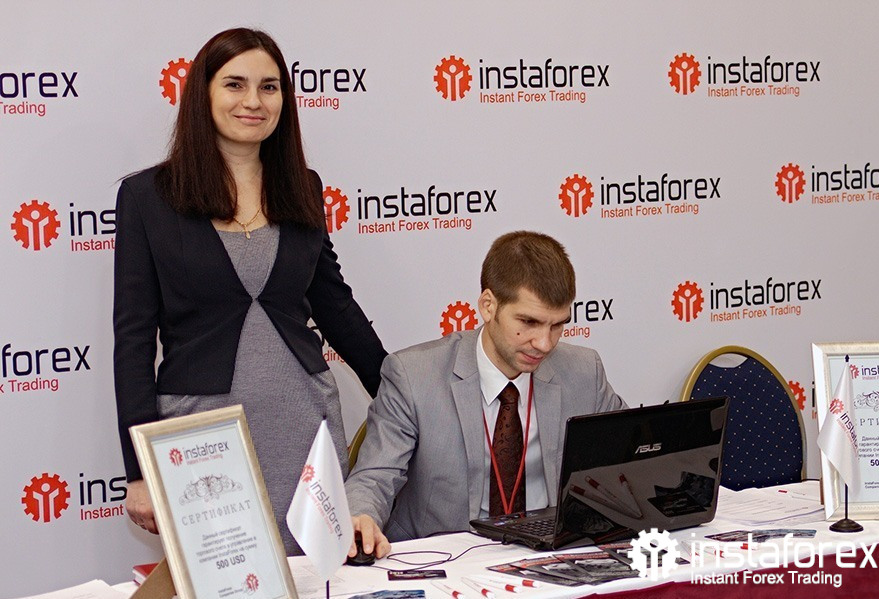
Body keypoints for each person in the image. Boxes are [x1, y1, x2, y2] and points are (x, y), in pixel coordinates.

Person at [113, 28, 387, 555]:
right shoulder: (148, 197)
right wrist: (139, 469)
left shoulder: (303, 186)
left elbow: (335, 306)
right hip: (200, 435)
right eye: (235, 84)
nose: (253, 102)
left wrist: (402, 397)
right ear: (203, 94)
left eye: (269, 87)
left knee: (318, 575)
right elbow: (132, 340)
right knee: (225, 575)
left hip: (305, 426)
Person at [345, 231, 626, 559]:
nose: (544, 343)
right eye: (529, 322)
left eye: (557, 325)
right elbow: (375, 475)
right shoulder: (413, 376)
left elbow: (630, 456)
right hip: (444, 562)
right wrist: (360, 516)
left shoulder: (584, 370)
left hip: (548, 558)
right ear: (488, 306)